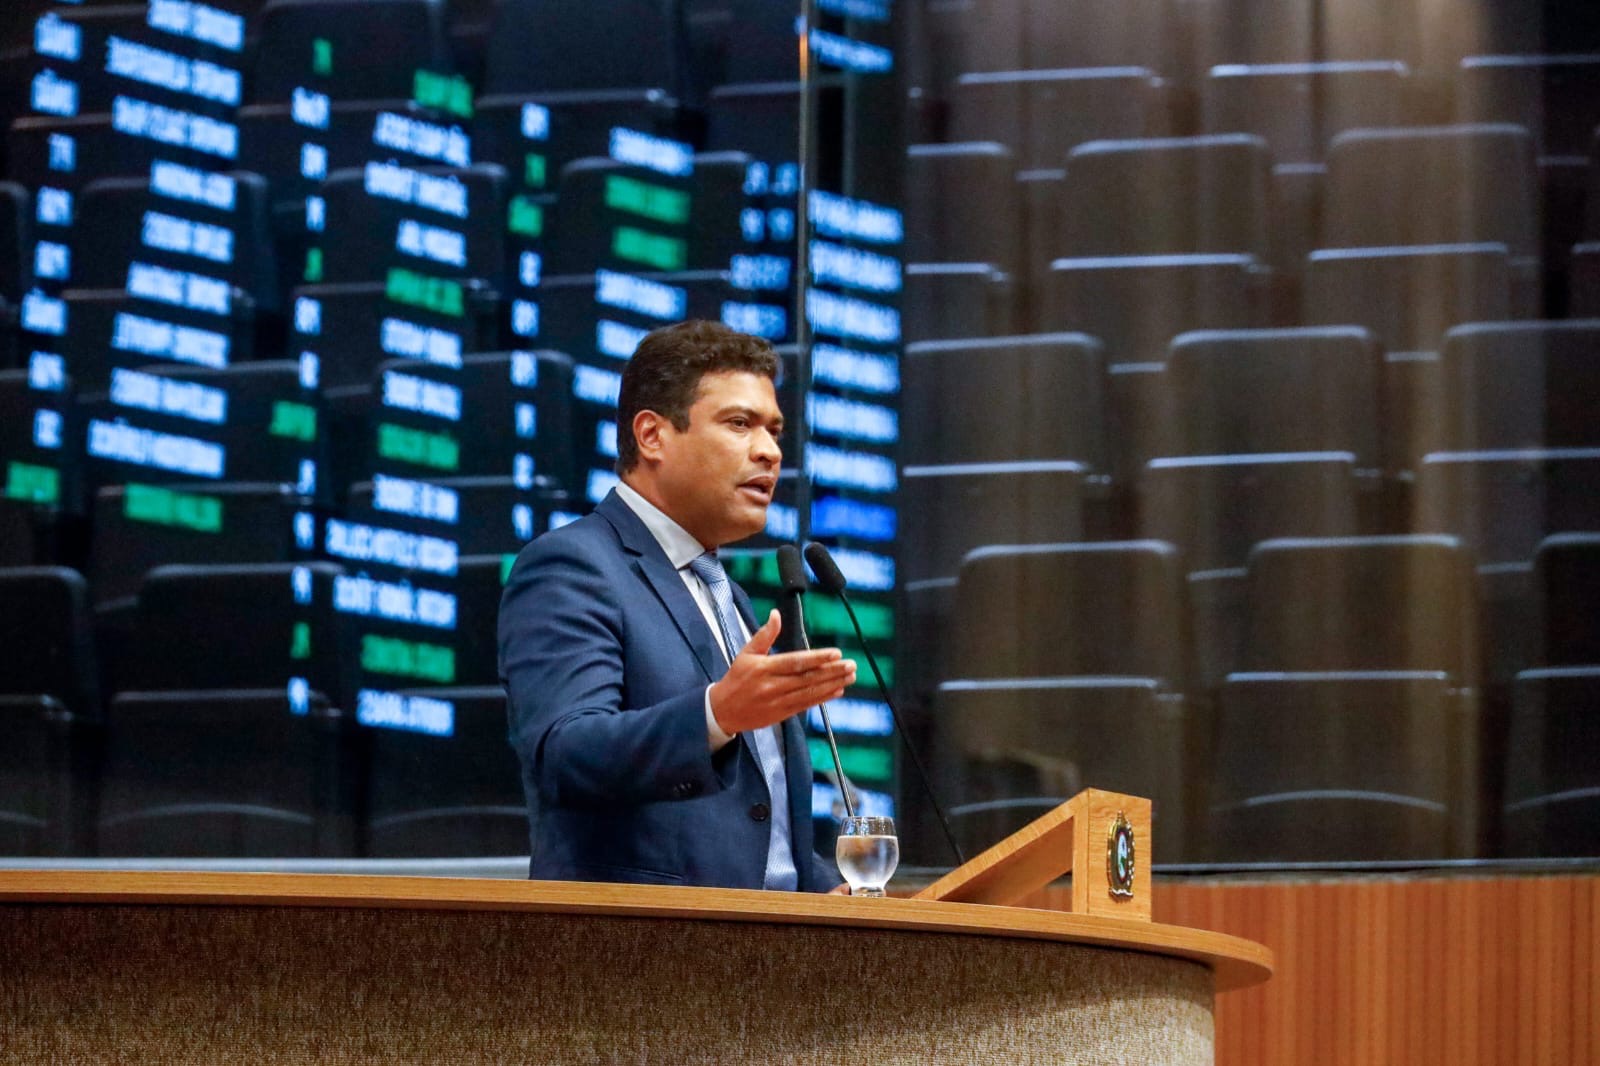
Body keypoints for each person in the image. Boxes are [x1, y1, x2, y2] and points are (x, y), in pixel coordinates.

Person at [498, 320, 855, 891]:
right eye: (739, 424)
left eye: (774, 430)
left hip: (769, 939)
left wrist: (826, 890)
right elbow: (566, 754)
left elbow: (755, 832)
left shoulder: (725, 593)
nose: (769, 451)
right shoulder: (572, 565)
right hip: (645, 939)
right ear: (652, 436)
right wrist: (717, 714)